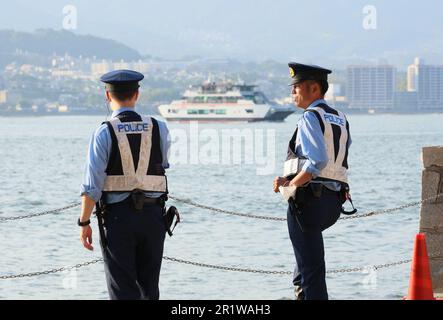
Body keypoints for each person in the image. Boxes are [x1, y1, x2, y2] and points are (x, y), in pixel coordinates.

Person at [78, 70, 171, 300]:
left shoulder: (104, 132)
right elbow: (163, 164)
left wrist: (84, 222)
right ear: (137, 94)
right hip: (153, 217)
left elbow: (92, 186)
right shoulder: (159, 128)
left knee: (123, 290)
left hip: (118, 220)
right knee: (150, 289)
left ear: (108, 97)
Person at [273, 62, 352, 300]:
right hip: (334, 203)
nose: (292, 92)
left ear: (314, 89)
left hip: (308, 202)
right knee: (308, 265)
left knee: (311, 273)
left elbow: (316, 161)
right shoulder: (340, 118)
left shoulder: (310, 117)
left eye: (296, 87)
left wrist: (290, 184)